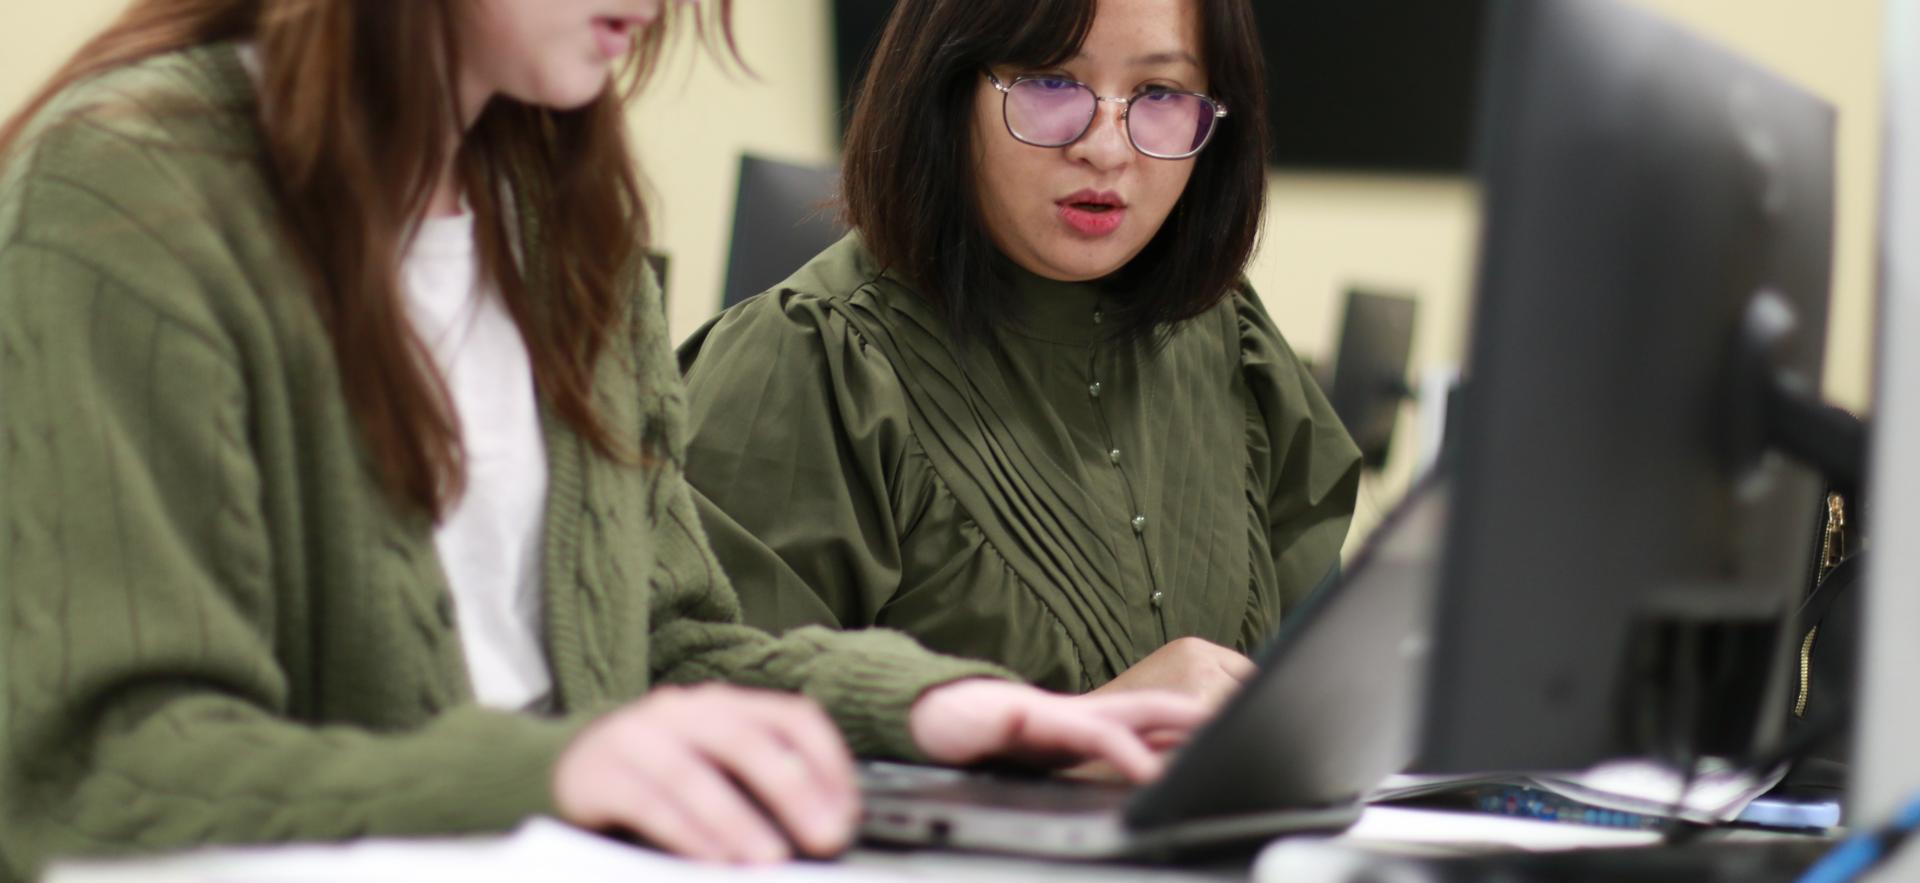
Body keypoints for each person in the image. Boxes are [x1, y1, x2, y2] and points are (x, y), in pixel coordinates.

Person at [0, 0, 1208, 877]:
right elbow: (104, 771)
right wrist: (553, 773)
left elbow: (663, 637)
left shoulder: (564, 206)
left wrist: (949, 714)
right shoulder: (131, 188)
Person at [679, 0, 1364, 708]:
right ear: (946, 91)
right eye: (1050, 83)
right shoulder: (806, 361)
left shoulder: (1231, 336)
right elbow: (719, 733)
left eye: (1160, 94)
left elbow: (1319, 695)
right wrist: (1066, 733)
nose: (1106, 147)